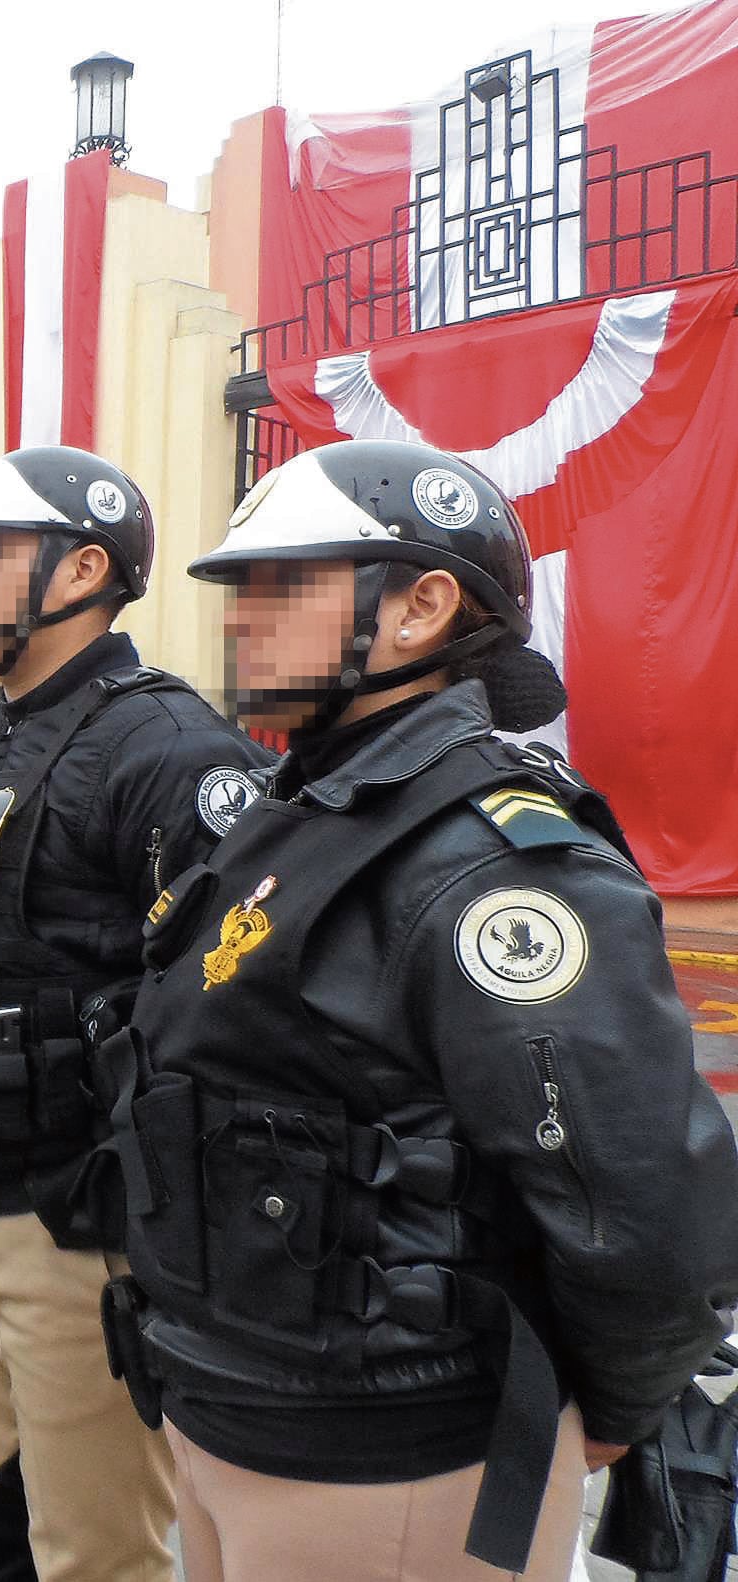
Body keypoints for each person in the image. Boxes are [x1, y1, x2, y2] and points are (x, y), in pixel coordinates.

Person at [100, 439, 738, 1582]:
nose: (240, 617)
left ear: (420, 607)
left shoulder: (497, 861)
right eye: (238, 587)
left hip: (395, 1461)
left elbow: (639, 1202)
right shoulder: (292, 817)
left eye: (279, 585)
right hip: (229, 1417)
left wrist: (608, 1408)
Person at [0, 446, 272, 1582]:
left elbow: (238, 1008)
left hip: (75, 1236)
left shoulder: (164, 747)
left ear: (81, 570)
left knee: (92, 1556)